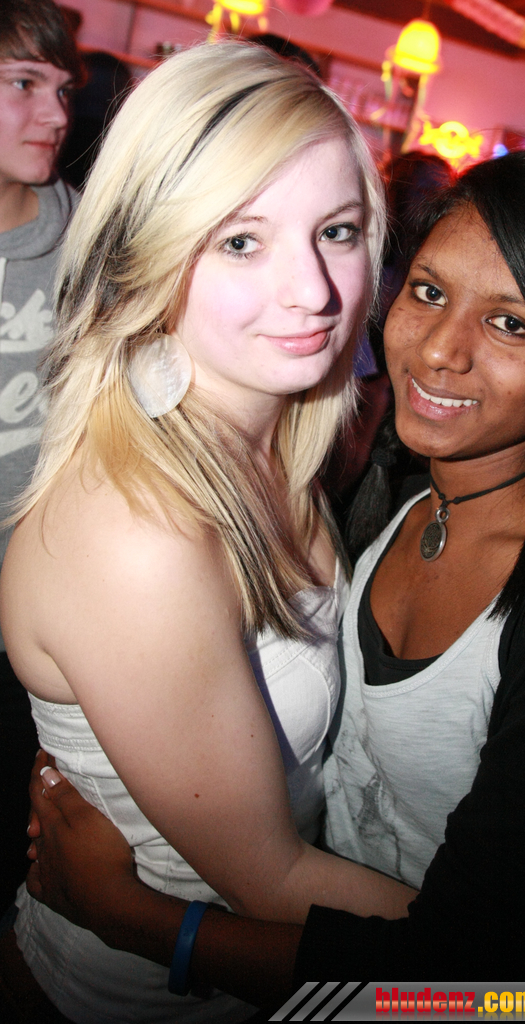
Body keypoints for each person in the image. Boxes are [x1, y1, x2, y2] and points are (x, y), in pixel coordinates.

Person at [21, 153, 525, 1002]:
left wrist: (139, 921)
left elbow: (480, 975)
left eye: (509, 324)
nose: (440, 351)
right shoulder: (398, 503)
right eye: (429, 293)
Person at [0, 41, 418, 1024]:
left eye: (337, 231)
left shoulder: (275, 443)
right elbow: (272, 880)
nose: (313, 291)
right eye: (239, 241)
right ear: (148, 251)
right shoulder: (138, 536)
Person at [0, 0, 82, 919]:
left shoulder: (86, 241)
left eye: (62, 89)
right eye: (24, 83)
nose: (55, 114)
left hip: (37, 618)